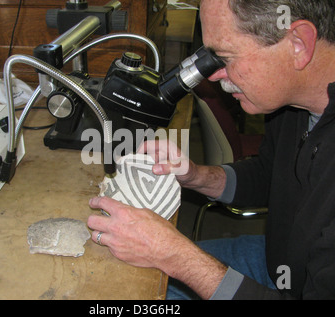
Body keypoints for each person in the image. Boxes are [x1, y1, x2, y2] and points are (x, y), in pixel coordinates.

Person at [87, 0, 335, 299]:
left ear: (298, 44)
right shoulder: (293, 103)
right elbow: (271, 175)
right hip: (279, 260)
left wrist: (175, 256)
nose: (214, 75)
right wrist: (196, 176)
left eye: (225, 57)